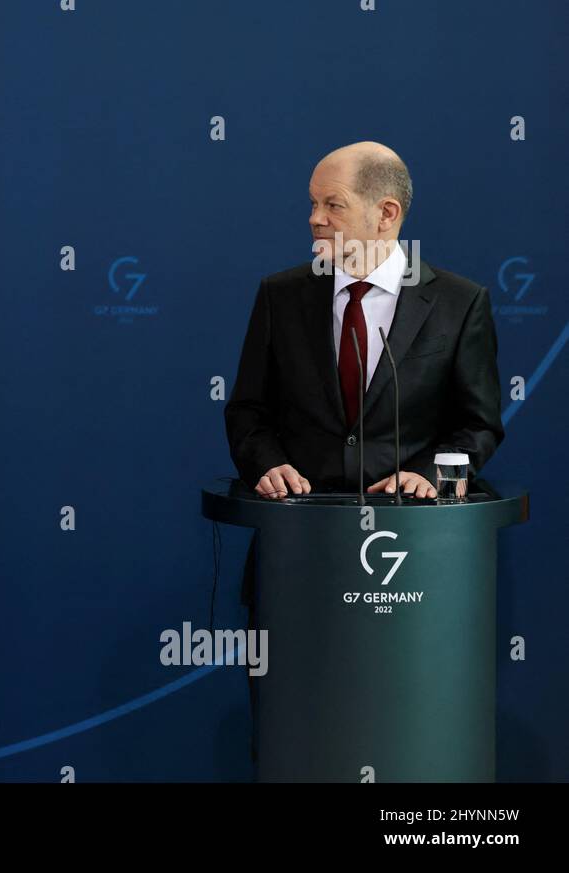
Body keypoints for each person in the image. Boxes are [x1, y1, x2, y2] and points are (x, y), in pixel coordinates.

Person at [223, 141, 503, 761]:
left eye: (332, 204)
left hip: (418, 573)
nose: (314, 219)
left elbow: (478, 426)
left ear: (386, 214)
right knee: (303, 742)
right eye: (312, 204)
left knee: (403, 737)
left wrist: (429, 474)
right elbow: (247, 411)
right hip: (299, 564)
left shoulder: (459, 304)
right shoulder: (281, 295)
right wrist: (266, 463)